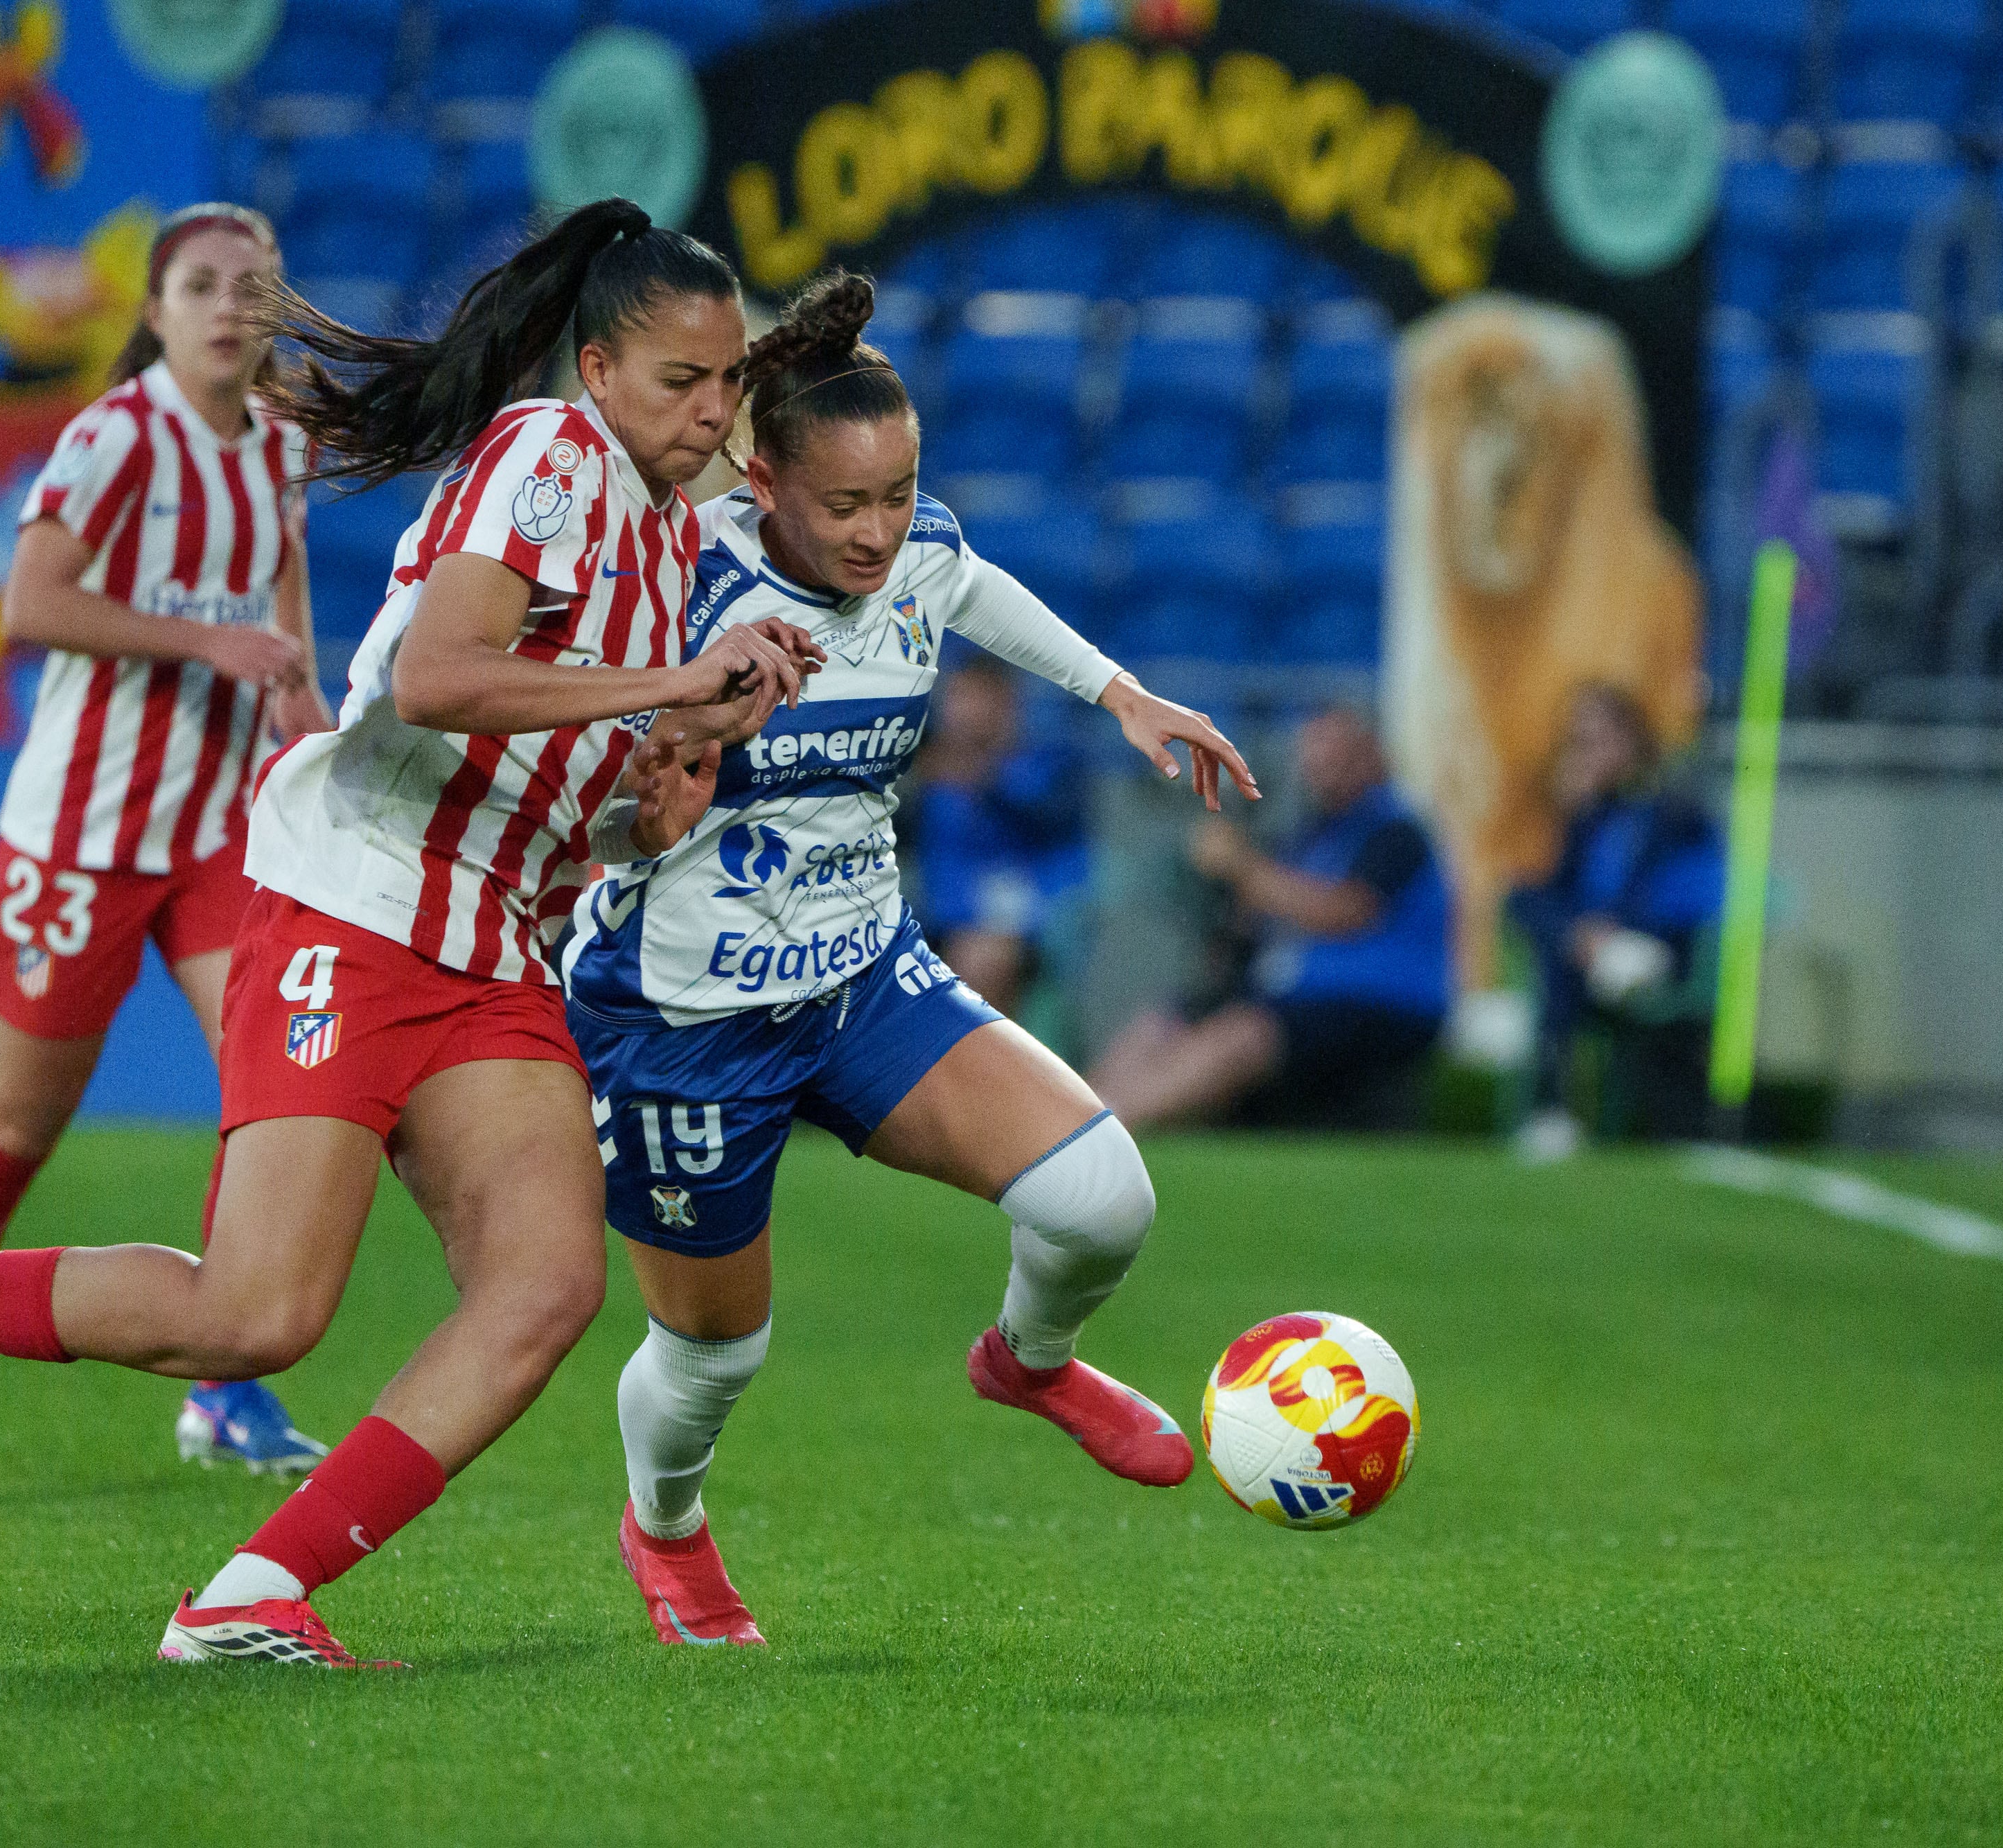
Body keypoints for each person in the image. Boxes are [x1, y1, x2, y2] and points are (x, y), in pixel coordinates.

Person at [0, 199, 823, 1668]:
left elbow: (572, 779)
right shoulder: (546, 460)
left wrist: (667, 782)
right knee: (252, 1317)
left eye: (725, 383)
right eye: (676, 382)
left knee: (545, 1285)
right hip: (356, 897)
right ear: (592, 370)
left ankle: (252, 1590)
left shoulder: (665, 537)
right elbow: (440, 681)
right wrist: (665, 679)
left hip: (490, 937)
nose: (709, 413)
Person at [562, 272, 1259, 1647]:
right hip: (682, 1016)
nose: (879, 530)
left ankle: (1028, 1359)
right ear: (758, 479)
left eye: (897, 494)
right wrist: (641, 813)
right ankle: (666, 1527)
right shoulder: (675, 586)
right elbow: (574, 811)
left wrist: (1117, 693)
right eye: (844, 504)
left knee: (1102, 1198)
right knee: (712, 1356)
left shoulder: (918, 550)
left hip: (862, 978)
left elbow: (967, 580)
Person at [0, 203, 340, 1486]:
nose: (231, 307)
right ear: (154, 309)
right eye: (202, 285)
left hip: (218, 835)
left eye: (254, 285)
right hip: (81, 838)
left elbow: (282, 599)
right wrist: (210, 642)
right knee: (22, 1120)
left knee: (270, 1099)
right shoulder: (113, 439)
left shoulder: (281, 448)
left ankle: (227, 1385)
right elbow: (31, 602)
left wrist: (307, 708)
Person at [1093, 708, 1448, 1132]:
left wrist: (1242, 867)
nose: (1324, 775)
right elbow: (1254, 923)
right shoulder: (1308, 835)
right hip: (1291, 993)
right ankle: (1073, 1117)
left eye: (1339, 761)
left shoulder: (1395, 831)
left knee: (1244, 1033)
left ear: (1373, 756)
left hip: (1378, 998)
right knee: (1164, 1020)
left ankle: (1108, 1129)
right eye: (1316, 763)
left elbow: (1344, 913)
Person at [1509, 682, 1724, 1159]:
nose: (1586, 755)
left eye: (1596, 741)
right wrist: (1582, 931)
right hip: (1590, 959)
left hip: (1654, 951)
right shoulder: (1588, 818)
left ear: (1631, 740)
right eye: (1578, 744)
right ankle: (1553, 1114)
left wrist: (1617, 928)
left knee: (1570, 959)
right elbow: (1541, 890)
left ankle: (1554, 1106)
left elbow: (1688, 889)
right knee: (1542, 928)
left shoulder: (1674, 810)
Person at [903, 658, 1090, 1016]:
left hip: (1021, 917)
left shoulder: (1047, 762)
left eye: (971, 698)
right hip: (931, 916)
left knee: (981, 961)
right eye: (955, 697)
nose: (958, 711)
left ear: (1004, 703)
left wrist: (987, 777)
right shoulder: (928, 764)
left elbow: (1050, 816)